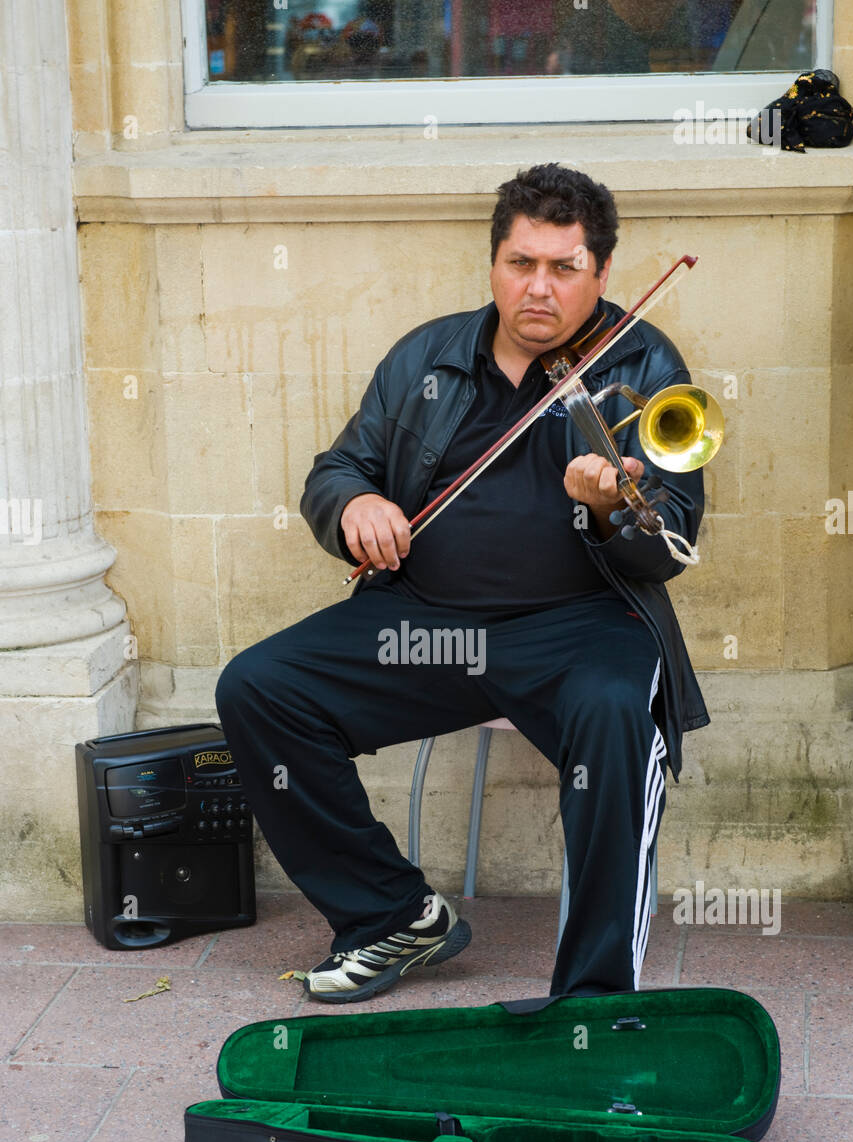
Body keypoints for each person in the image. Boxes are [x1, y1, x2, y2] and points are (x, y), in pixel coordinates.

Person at [214, 162, 709, 1005]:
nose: (540, 290)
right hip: (430, 623)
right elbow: (337, 468)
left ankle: (591, 1001)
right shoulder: (427, 356)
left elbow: (669, 544)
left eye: (564, 268)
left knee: (616, 715)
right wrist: (355, 504)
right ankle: (391, 916)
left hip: (581, 627)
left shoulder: (645, 363)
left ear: (600, 273)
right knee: (258, 688)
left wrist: (609, 511)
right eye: (521, 264)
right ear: (493, 264)